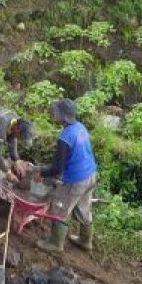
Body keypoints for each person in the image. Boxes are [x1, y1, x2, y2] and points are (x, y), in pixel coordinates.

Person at [31, 98, 98, 252]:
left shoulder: (65, 136)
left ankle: (55, 243)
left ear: (63, 116)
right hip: (91, 174)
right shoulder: (80, 128)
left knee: (60, 206)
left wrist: (41, 173)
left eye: (56, 113)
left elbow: (57, 169)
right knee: (84, 207)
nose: (54, 116)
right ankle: (85, 241)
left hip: (77, 179)